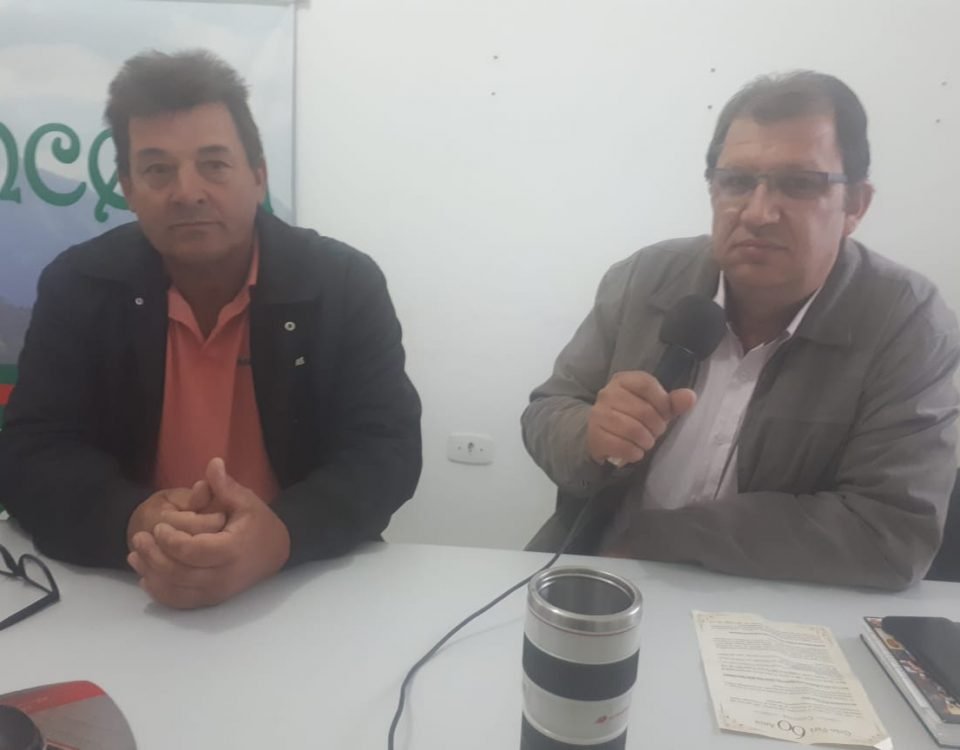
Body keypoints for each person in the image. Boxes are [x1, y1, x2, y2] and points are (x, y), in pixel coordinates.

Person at [0, 50, 422, 609]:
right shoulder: (79, 284)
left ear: (258, 176)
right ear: (126, 187)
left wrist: (283, 533)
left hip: (301, 586)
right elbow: (31, 451)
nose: (187, 192)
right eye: (157, 169)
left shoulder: (342, 284)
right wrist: (132, 519)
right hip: (124, 590)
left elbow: (386, 451)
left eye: (214, 164)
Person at [522, 71, 960, 590]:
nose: (758, 212)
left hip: (778, 601)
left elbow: (890, 530)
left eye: (800, 184)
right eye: (736, 181)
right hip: (602, 573)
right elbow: (548, 409)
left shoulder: (908, 324)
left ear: (855, 206)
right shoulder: (644, 279)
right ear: (712, 189)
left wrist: (663, 538)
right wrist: (588, 434)